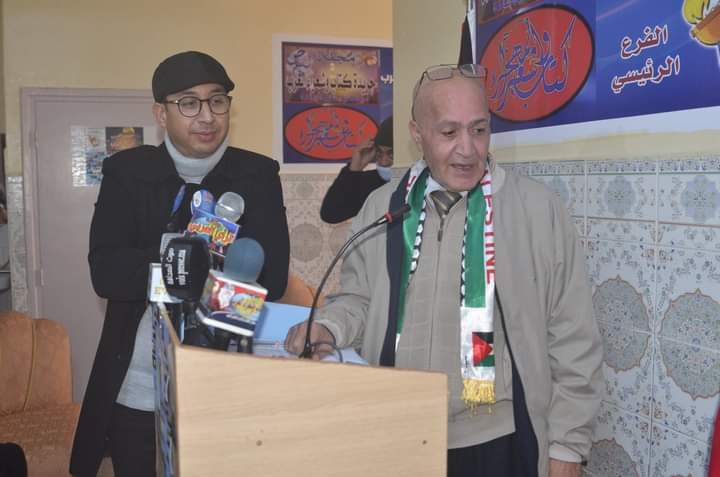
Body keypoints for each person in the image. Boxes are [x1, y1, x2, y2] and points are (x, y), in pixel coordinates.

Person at [285, 64, 603, 477]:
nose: (468, 149)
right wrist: (328, 327)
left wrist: (568, 446)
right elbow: (358, 299)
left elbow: (573, 334)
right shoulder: (384, 208)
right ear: (417, 134)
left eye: (479, 130)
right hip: (396, 431)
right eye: (449, 132)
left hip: (498, 439)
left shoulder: (537, 211)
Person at [70, 51, 290, 477]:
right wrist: (191, 265)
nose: (206, 116)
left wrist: (168, 266)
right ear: (161, 113)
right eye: (189, 103)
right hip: (139, 382)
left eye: (217, 101)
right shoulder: (126, 173)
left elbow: (273, 278)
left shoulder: (258, 175)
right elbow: (108, 272)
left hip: (225, 378)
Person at [320, 116, 393, 223]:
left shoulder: (415, 183)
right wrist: (355, 169)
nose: (384, 162)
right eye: (379, 153)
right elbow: (330, 214)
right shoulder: (370, 181)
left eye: (391, 155)